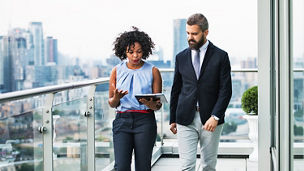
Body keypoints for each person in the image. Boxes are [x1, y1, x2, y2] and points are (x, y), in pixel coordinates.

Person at [170, 13, 232, 171]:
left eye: (194, 34)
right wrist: (172, 118)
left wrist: (215, 116)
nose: (190, 37)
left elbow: (226, 90)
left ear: (206, 32)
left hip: (211, 119)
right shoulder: (181, 57)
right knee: (186, 166)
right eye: (188, 33)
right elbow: (176, 89)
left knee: (208, 166)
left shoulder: (221, 56)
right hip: (185, 118)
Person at [108, 27, 162, 171]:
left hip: (145, 121)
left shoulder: (153, 71)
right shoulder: (116, 70)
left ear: (145, 50)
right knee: (121, 167)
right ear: (124, 52)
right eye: (130, 52)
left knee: (143, 167)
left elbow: (158, 105)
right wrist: (116, 98)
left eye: (139, 51)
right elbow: (112, 103)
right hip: (122, 121)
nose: (135, 56)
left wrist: (150, 104)